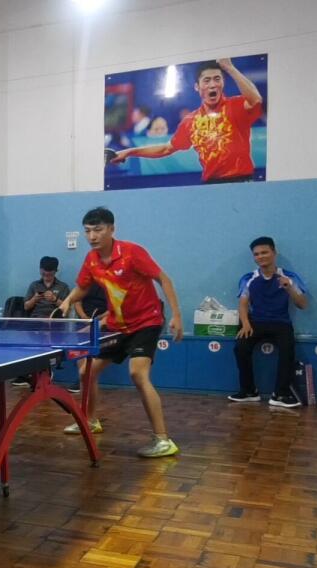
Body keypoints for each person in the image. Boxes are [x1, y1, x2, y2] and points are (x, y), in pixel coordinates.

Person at [56, 207, 184, 458]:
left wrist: (176, 315)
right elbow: (82, 287)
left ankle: (163, 440)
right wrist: (68, 301)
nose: (92, 236)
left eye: (98, 230)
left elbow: (164, 279)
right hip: (117, 325)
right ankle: (90, 420)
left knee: (137, 373)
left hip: (146, 322)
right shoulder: (91, 259)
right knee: (85, 371)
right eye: (87, 231)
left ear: (112, 229)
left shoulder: (132, 253)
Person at [112, 59, 264, 184]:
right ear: (197, 87)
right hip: (211, 185)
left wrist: (230, 68)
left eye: (217, 79)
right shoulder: (191, 120)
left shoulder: (236, 105)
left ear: (223, 83)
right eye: (207, 80)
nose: (212, 85)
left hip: (242, 181)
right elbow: (166, 149)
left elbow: (256, 100)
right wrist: (130, 152)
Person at [229, 237, 307, 408]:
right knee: (240, 347)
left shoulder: (289, 277)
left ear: (274, 253)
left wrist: (289, 288)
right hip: (255, 322)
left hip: (281, 323)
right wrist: (245, 323)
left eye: (264, 252)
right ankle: (249, 391)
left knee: (287, 350)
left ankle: (280, 394)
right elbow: (243, 304)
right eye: (256, 254)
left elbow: (302, 304)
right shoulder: (249, 278)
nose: (260, 257)